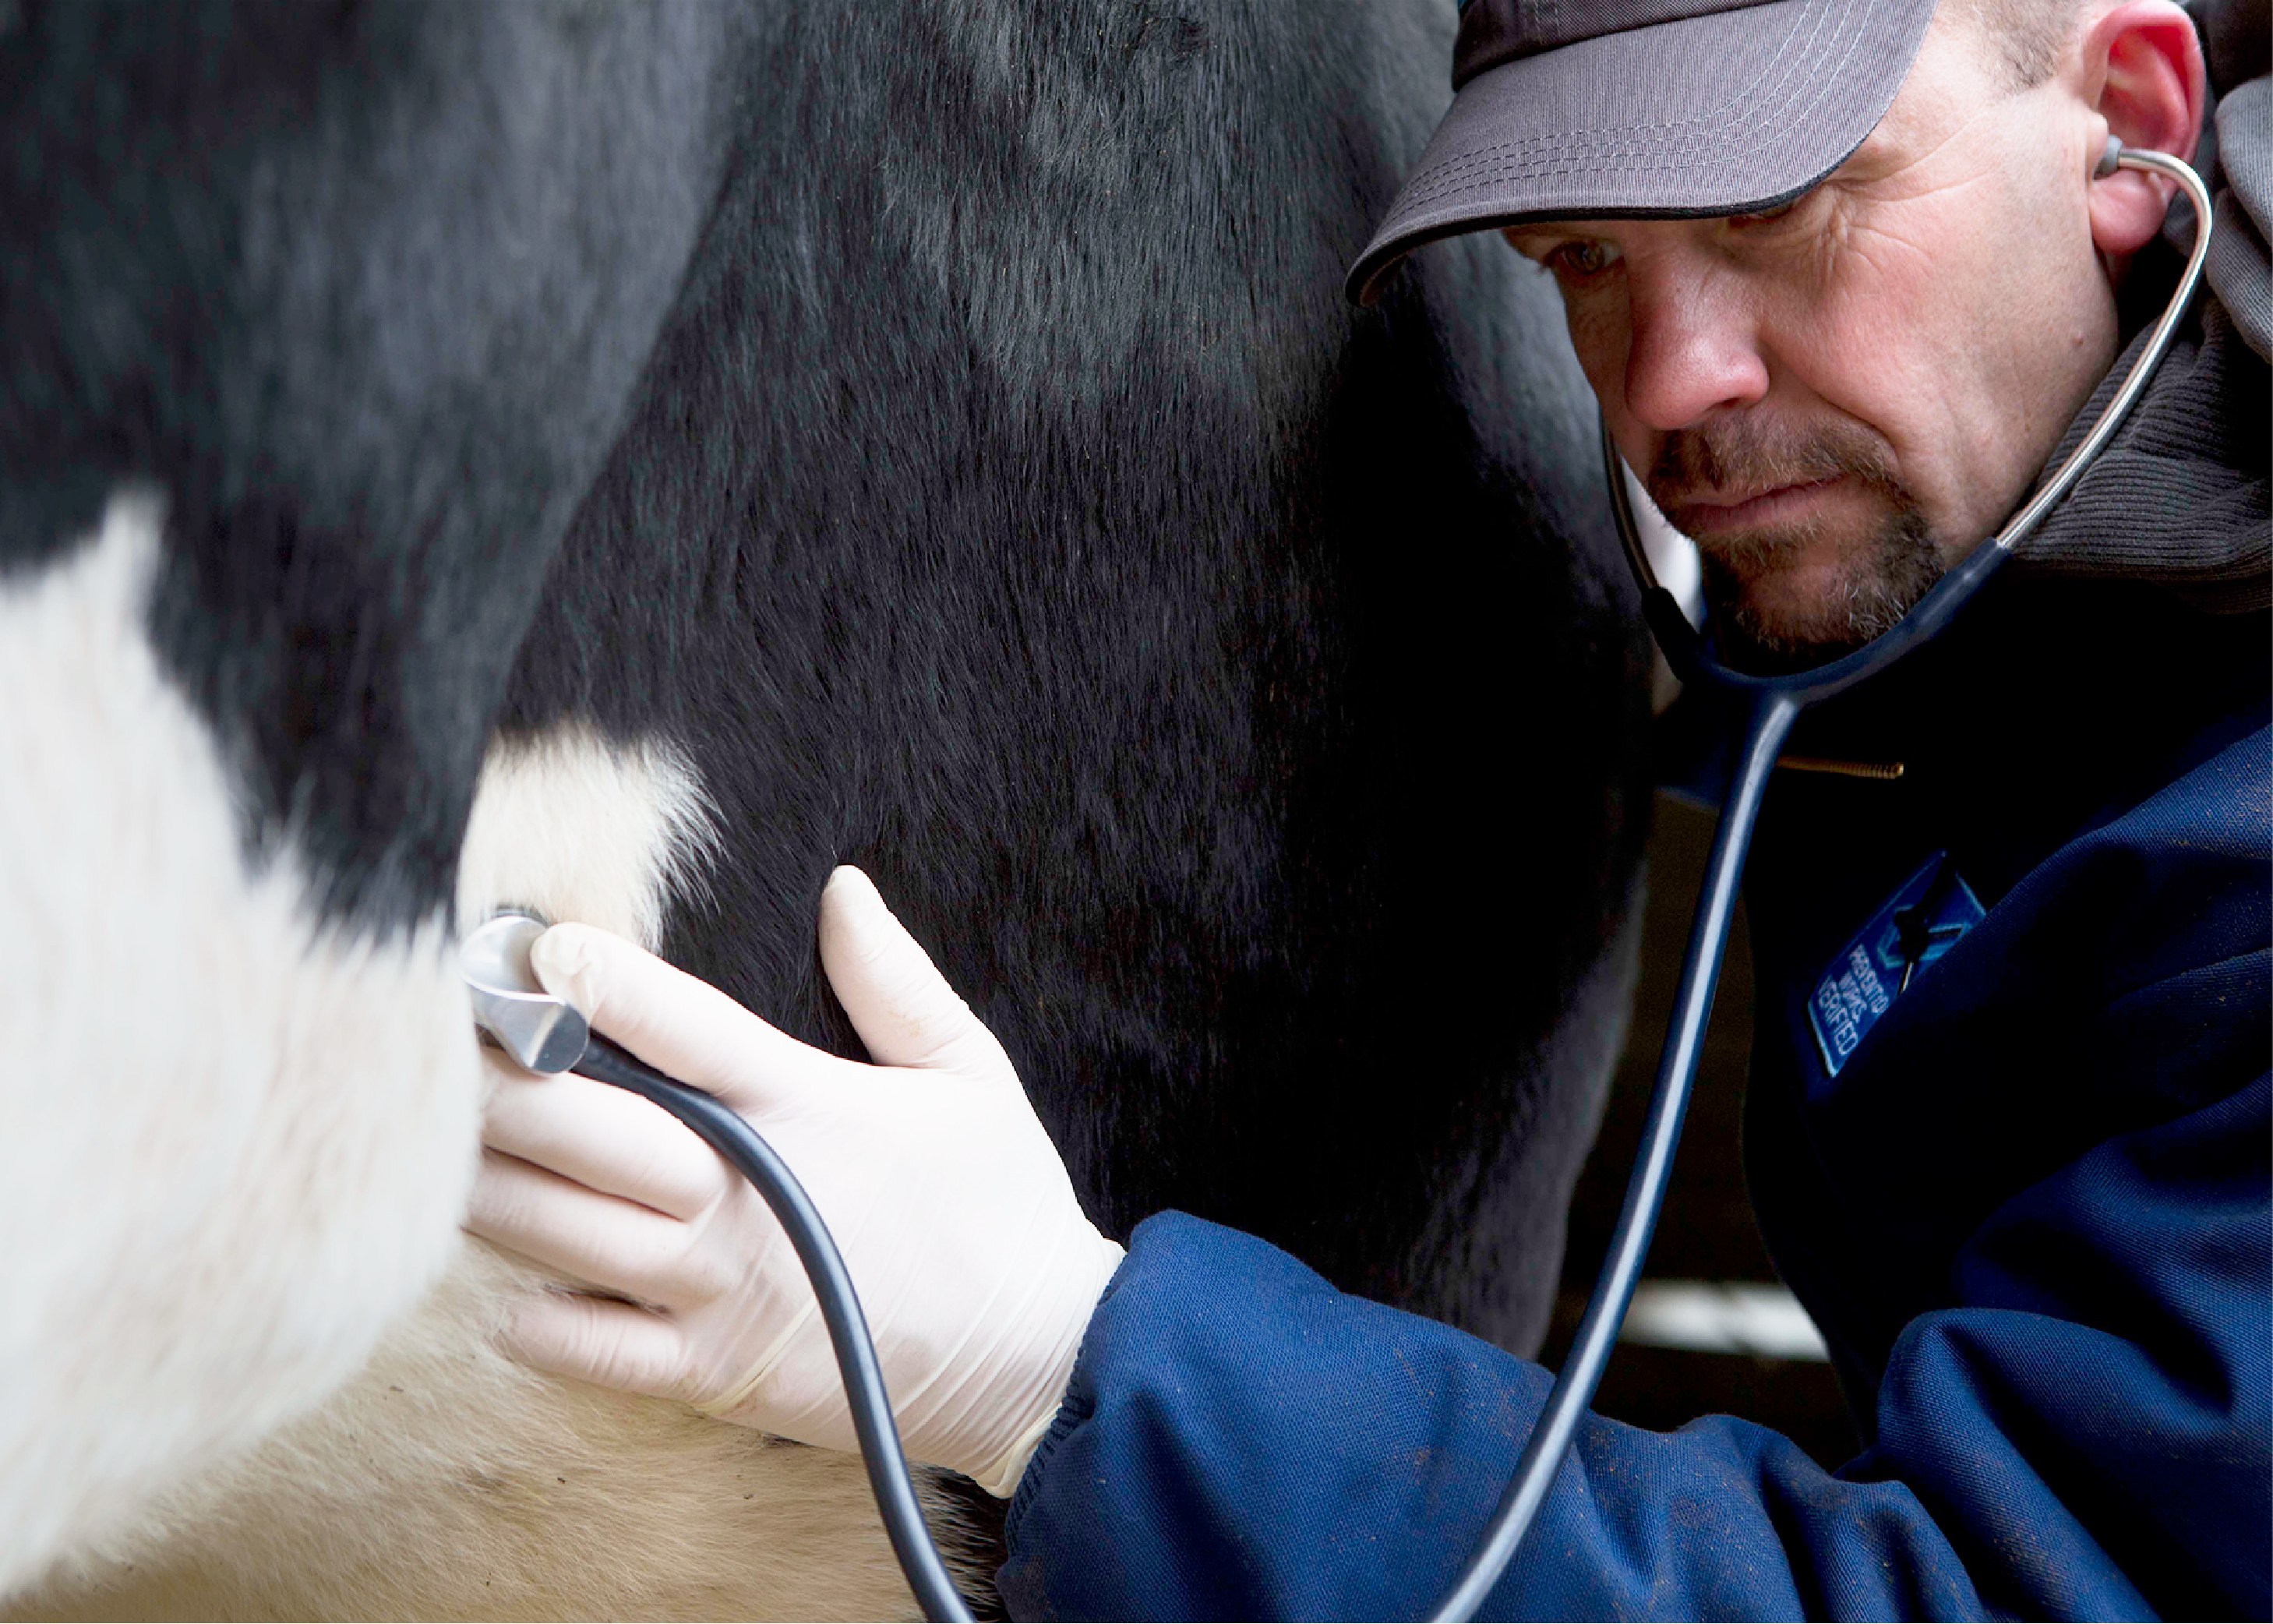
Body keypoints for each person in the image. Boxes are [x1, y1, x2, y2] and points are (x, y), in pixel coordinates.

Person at [465, 0, 2273, 1615]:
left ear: (2132, 119)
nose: (1667, 382)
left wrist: (1065, 1364)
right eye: (1586, 257)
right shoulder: (2019, 626)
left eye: (1774, 210)